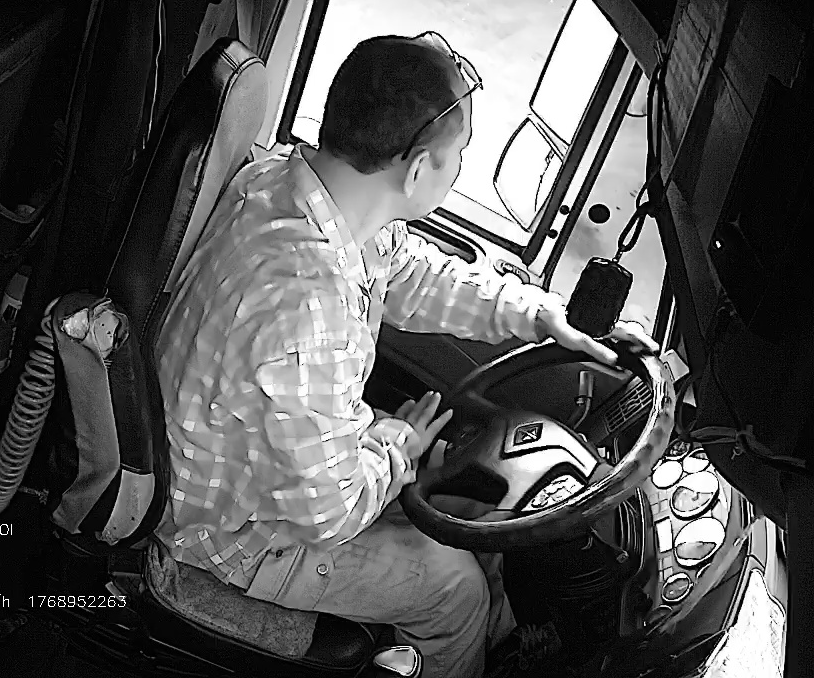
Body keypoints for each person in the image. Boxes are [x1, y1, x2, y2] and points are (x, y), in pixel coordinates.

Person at [153, 33, 657, 678]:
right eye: (459, 156)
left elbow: (414, 276)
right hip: (236, 531)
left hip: (275, 463)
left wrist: (536, 313)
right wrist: (398, 445)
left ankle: (507, 638)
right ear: (418, 170)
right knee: (455, 590)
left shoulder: (289, 185)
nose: (459, 168)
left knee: (472, 501)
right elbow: (329, 512)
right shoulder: (307, 311)